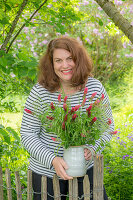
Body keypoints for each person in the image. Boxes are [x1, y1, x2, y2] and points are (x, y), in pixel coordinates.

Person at [20, 36, 114, 200]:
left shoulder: (94, 88)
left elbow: (107, 127)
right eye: (58, 60)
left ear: (79, 60)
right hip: (46, 175)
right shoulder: (40, 92)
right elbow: (27, 134)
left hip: (85, 171)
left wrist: (92, 149)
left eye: (70, 58)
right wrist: (53, 160)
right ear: (51, 64)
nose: (65, 65)